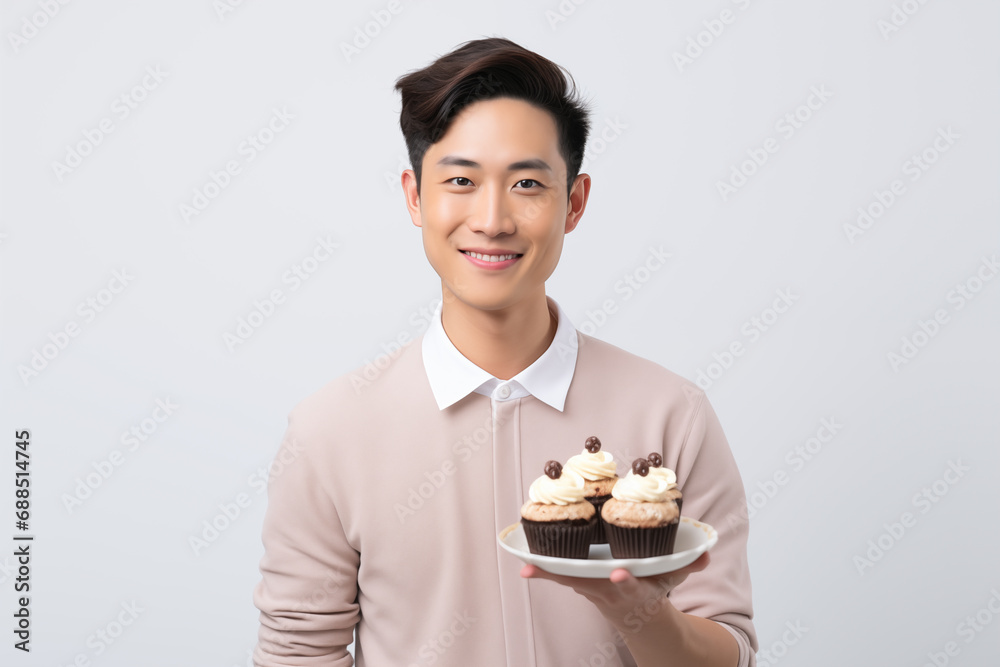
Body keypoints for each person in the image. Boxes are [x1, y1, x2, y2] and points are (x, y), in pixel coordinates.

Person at [252, 36, 757, 667]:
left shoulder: (670, 414)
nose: (492, 219)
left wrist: (640, 612)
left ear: (573, 203)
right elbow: (299, 655)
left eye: (526, 183)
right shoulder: (330, 432)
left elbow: (729, 652)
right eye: (460, 180)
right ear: (414, 197)